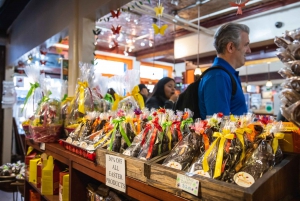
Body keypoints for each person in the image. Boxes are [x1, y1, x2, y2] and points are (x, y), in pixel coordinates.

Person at [198, 22, 251, 120]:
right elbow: (219, 127)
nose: (249, 50)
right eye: (246, 45)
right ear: (230, 47)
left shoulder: (226, 75)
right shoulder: (218, 76)